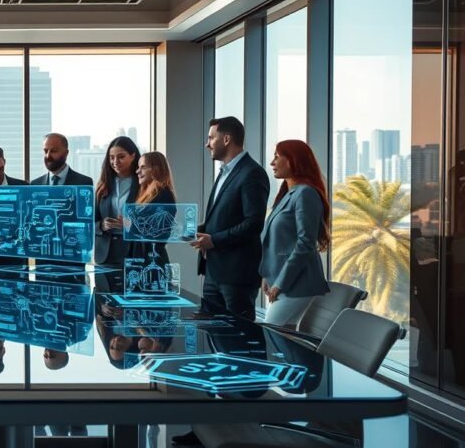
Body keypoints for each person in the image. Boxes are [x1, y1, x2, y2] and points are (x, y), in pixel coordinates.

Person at [190, 116, 269, 320]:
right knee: (214, 337)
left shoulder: (252, 173)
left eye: (211, 138)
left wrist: (213, 240)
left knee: (238, 340)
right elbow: (221, 219)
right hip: (213, 272)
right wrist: (186, 230)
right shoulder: (225, 172)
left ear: (226, 140)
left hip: (237, 276)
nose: (207, 144)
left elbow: (253, 223)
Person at [260, 139, 331, 326]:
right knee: (282, 341)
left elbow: (305, 243)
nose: (272, 163)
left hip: (297, 284)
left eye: (277, 157)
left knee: (271, 332)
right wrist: (268, 276)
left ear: (292, 160)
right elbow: (279, 242)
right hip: (284, 283)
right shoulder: (288, 194)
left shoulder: (305, 194)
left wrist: (280, 283)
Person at [31, 133, 93, 273]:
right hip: (43, 263)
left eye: (53, 151)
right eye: (45, 151)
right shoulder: (35, 185)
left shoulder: (84, 183)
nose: (48, 155)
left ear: (66, 153)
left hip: (73, 261)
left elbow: (87, 221)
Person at [94, 137, 141, 267]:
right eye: (111, 157)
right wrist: (102, 225)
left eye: (121, 157)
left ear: (133, 156)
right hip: (105, 254)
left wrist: (129, 226)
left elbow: (150, 223)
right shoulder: (103, 185)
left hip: (133, 251)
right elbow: (90, 222)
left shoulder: (142, 185)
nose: (115, 162)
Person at [125, 151, 177, 265]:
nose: (137, 171)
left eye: (143, 167)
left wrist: (128, 224)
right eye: (138, 167)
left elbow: (155, 232)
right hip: (142, 258)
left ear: (156, 169)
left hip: (151, 261)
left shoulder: (163, 195)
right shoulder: (147, 195)